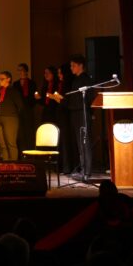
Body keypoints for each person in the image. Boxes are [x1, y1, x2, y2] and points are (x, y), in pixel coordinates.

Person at [54, 54, 95, 182]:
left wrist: (62, 100)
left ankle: (87, 171)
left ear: (80, 65)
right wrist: (61, 100)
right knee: (80, 143)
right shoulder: (76, 80)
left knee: (85, 143)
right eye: (71, 66)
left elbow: (88, 98)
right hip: (75, 114)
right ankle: (83, 169)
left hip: (82, 113)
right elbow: (73, 99)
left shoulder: (86, 80)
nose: (71, 68)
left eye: (73, 65)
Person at [0, 71, 23, 160]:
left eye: (2, 79)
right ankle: (5, 164)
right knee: (3, 144)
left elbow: (20, 106)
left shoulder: (13, 91)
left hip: (10, 119)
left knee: (11, 143)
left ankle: (13, 165)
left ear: (8, 79)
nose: (0, 81)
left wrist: (12, 114)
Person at [14, 63, 37, 153]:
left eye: (21, 70)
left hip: (29, 110)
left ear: (26, 71)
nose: (20, 72)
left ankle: (30, 153)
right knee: (20, 134)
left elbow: (34, 98)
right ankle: (21, 153)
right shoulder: (16, 84)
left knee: (29, 133)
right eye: (18, 70)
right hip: (19, 112)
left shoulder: (32, 83)